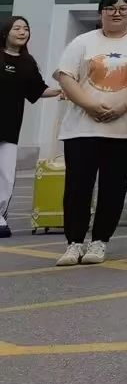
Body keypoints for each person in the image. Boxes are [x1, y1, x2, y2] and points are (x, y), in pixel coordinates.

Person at [52, 0, 127, 266]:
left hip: (122, 128)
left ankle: (100, 241)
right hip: (81, 128)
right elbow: (65, 77)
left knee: (113, 187)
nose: (117, 13)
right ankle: (74, 243)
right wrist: (90, 106)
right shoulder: (82, 41)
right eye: (111, 8)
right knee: (77, 187)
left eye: (123, 8)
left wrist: (123, 106)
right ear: (101, 12)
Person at [1, 16, 60, 239]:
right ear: (5, 32)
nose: (22, 32)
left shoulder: (28, 62)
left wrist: (63, 91)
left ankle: (0, 216)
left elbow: (38, 89)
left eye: (25, 28)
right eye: (16, 28)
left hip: (9, 128)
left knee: (6, 175)